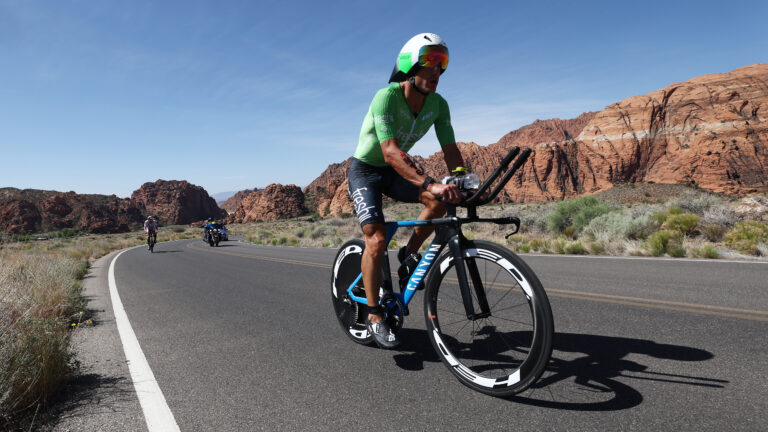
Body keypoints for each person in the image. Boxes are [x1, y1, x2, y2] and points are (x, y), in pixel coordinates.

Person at [348, 33, 468, 349]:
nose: (436, 71)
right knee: (374, 238)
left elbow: (451, 149)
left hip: (395, 171)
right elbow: (389, 151)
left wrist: (458, 178)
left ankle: (409, 252)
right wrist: (430, 182)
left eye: (442, 63)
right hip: (367, 171)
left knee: (438, 201)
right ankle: (374, 315)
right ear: (409, 64)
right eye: (430, 60)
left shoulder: (438, 105)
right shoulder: (386, 97)